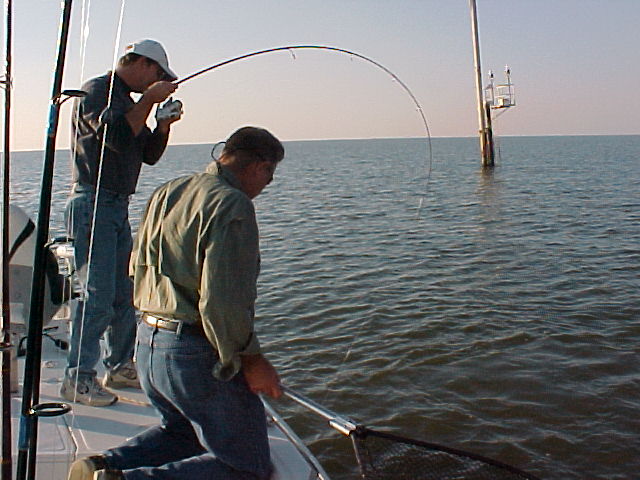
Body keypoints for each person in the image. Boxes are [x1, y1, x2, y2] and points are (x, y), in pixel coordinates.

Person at [67, 126, 284, 480]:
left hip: (148, 346)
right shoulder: (233, 204)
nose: (265, 186)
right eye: (269, 178)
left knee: (182, 434)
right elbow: (222, 302)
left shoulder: (169, 191)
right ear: (261, 167)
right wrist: (252, 360)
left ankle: (100, 466)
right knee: (247, 468)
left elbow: (135, 268)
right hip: (191, 355)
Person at [61, 39, 182, 407]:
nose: (157, 82)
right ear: (143, 64)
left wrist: (163, 125)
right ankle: (78, 378)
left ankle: (118, 366)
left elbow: (148, 154)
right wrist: (149, 101)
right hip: (93, 203)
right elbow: (113, 137)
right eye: (158, 74)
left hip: (115, 207)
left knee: (122, 293)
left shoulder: (128, 103)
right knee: (97, 294)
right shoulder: (97, 91)